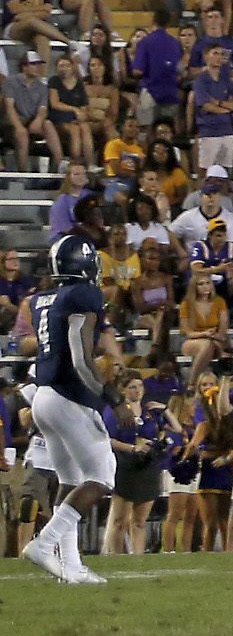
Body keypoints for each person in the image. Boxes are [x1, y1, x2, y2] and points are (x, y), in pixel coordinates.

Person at [15, 233, 111, 584]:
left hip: (44, 395)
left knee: (70, 479)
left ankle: (71, 567)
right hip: (70, 396)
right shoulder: (83, 294)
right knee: (101, 477)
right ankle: (45, 544)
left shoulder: (42, 298)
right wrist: (110, 395)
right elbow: (80, 356)